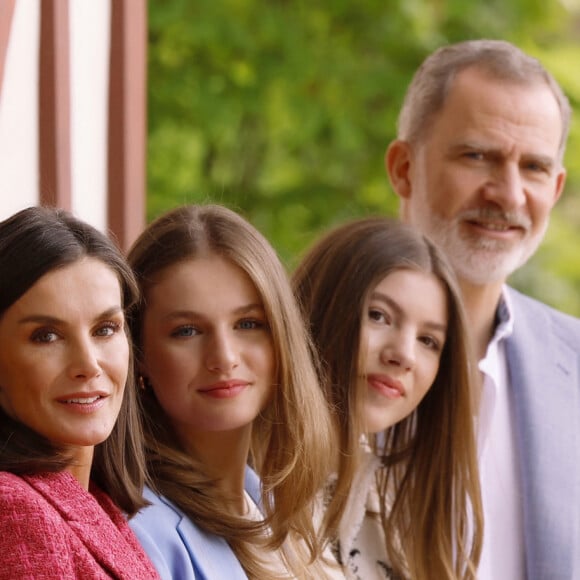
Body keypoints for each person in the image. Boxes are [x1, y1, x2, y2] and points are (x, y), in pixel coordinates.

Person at [385, 39, 580, 579]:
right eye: (478, 156)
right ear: (403, 167)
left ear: (556, 187)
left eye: (535, 167)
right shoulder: (298, 352)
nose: (509, 194)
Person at [127, 204, 340, 579]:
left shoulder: (273, 504)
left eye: (247, 323)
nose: (224, 358)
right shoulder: (142, 534)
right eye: (187, 331)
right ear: (139, 353)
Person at [293, 216, 483, 580]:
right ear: (320, 308)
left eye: (428, 341)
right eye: (379, 316)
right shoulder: (245, 493)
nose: (404, 355)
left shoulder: (399, 524)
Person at [0, 206, 159, 579]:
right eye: (46, 336)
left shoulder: (94, 500)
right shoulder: (14, 510)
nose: (88, 364)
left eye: (105, 329)